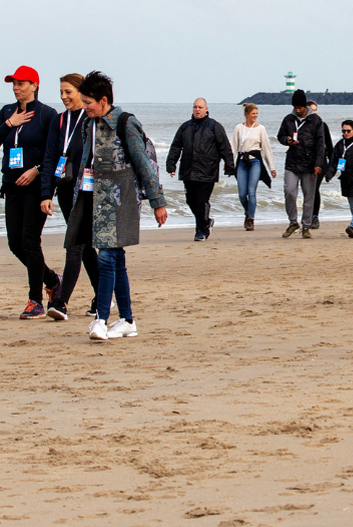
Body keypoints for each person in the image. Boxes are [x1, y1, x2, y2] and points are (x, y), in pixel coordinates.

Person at [74, 71, 168, 341]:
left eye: (88, 101)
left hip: (123, 199)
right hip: (95, 200)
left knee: (105, 258)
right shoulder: (87, 124)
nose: (84, 106)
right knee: (115, 259)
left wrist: (157, 202)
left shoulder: (126, 123)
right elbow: (85, 162)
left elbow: (143, 164)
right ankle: (126, 320)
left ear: (104, 100)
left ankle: (100, 320)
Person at [0, 65, 62, 319]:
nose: (16, 88)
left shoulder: (47, 114)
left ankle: (35, 301)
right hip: (11, 186)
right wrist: (9, 123)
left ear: (34, 86)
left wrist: (37, 171)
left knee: (30, 241)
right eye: (14, 84)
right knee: (15, 243)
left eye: (21, 83)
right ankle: (51, 279)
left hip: (36, 187)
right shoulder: (7, 112)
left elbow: (56, 152)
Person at [42, 73, 99, 319]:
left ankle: (61, 302)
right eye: (61, 93)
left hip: (86, 190)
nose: (64, 97)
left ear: (81, 92)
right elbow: (50, 157)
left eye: (69, 92)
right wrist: (47, 193)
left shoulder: (91, 120)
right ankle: (101, 297)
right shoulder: (59, 120)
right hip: (65, 189)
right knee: (85, 247)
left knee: (74, 244)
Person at [166, 98, 235, 241]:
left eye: (200, 107)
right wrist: (171, 164)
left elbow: (225, 147)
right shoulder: (185, 127)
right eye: (195, 107)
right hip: (188, 170)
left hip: (207, 171)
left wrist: (229, 166)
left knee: (201, 202)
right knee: (190, 201)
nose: (197, 110)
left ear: (206, 109)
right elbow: (176, 146)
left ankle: (201, 231)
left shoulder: (214, 126)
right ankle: (206, 221)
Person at [276, 90, 325, 239]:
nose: (297, 110)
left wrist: (318, 163)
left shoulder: (316, 121)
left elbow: (320, 144)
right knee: (290, 192)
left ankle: (306, 225)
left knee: (308, 196)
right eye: (295, 107)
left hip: (310, 164)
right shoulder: (288, 119)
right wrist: (287, 141)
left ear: (305, 106)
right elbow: (280, 136)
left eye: (300, 107)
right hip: (292, 162)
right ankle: (293, 222)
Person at [230, 103, 275, 231]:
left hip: (255, 161)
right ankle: (248, 212)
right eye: (253, 113)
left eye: (256, 113)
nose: (255, 116)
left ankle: (251, 219)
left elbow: (266, 149)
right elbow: (233, 146)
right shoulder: (239, 128)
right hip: (242, 162)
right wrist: (228, 163)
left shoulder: (261, 129)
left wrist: (272, 167)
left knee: (251, 191)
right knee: (242, 194)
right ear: (246, 114)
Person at [308, 101, 334, 229]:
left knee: (314, 189)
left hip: (321, 163)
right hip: (306, 163)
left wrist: (331, 168)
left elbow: (329, 147)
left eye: (316, 109)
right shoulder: (304, 126)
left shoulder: (323, 126)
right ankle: (307, 215)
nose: (314, 112)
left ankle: (314, 217)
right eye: (311, 110)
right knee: (307, 190)